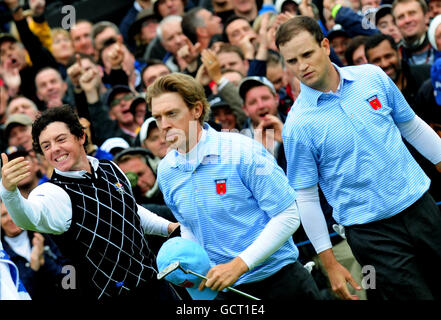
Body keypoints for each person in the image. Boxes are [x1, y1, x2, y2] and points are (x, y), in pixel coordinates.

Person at [276, 16, 441, 300]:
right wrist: (329, 262)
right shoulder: (296, 126)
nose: (301, 66)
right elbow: (305, 196)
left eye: (307, 54)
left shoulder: (372, 76)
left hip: (421, 206)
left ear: (325, 46)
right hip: (371, 235)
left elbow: (411, 126)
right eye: (291, 61)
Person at [147, 72, 321, 300]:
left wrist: (239, 265)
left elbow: (288, 215)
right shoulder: (166, 171)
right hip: (226, 292)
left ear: (197, 110)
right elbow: (188, 225)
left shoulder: (242, 150)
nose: (164, 125)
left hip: (281, 282)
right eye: (157, 117)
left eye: (171, 114)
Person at [0, 105, 180, 299]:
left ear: (81, 137)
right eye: (46, 146)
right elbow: (27, 217)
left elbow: (129, 210)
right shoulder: (52, 193)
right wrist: (9, 192)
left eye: (61, 139)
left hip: (157, 286)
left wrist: (167, 227)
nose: (55, 149)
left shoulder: (110, 167)